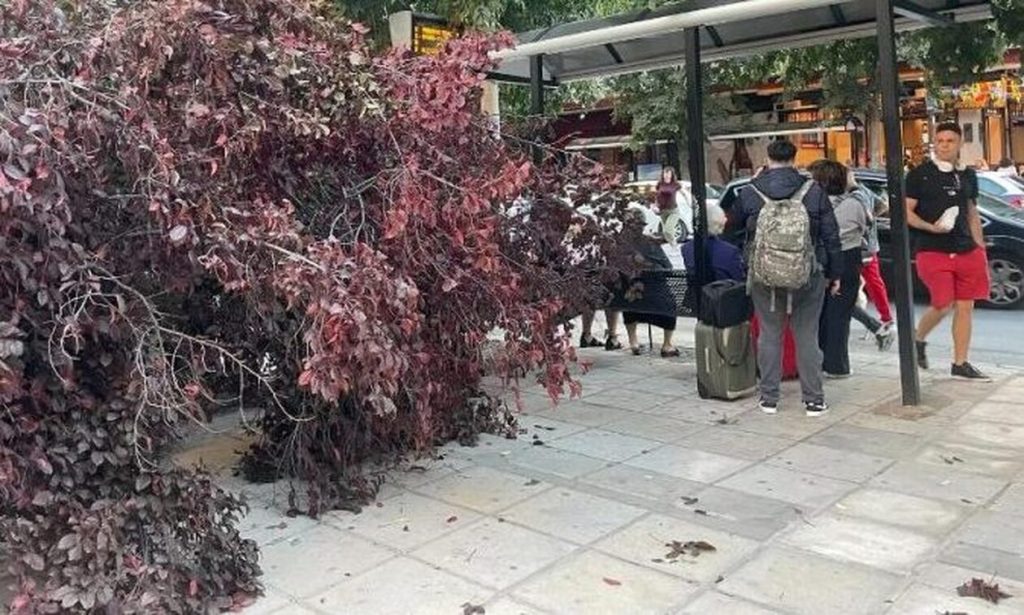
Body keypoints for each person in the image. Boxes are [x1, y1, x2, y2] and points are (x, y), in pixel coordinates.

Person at [735, 139, 843, 417]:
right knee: (807, 336)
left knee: (769, 335)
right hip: (809, 273)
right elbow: (832, 235)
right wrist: (835, 273)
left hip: (765, 276)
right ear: (795, 159)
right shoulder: (814, 191)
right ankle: (814, 401)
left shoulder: (750, 191)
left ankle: (769, 399)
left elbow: (732, 231)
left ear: (768, 158)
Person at [907, 122, 991, 381]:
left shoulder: (968, 175)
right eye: (940, 141)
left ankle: (960, 362)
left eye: (950, 141)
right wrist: (930, 227)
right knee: (943, 303)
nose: (944, 146)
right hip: (932, 249)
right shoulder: (919, 175)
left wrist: (980, 245)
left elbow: (971, 211)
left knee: (966, 306)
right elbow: (906, 212)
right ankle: (918, 338)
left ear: (959, 144)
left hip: (967, 249)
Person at [810, 161, 869, 379]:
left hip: (819, 258)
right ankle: (836, 365)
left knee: (819, 313)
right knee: (840, 314)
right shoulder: (854, 203)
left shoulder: (812, 204)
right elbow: (864, 226)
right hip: (847, 258)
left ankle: (817, 359)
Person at [613, 211, 680, 357]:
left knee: (630, 294)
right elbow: (668, 267)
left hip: (630, 298)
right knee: (669, 302)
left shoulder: (617, 245)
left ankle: (633, 341)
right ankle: (667, 345)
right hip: (656, 298)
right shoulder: (650, 243)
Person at [681, 203, 745, 282]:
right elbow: (738, 279)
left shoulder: (686, 248)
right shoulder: (731, 252)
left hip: (696, 289)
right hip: (723, 289)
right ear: (720, 223)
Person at [655, 166, 683, 244]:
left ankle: (674, 245)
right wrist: (655, 205)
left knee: (668, 230)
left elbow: (683, 193)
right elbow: (657, 196)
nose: (667, 175)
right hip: (663, 211)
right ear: (663, 174)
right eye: (665, 173)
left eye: (668, 174)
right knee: (665, 233)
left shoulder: (675, 184)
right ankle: (673, 246)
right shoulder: (660, 184)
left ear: (671, 175)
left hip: (673, 210)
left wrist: (690, 201)